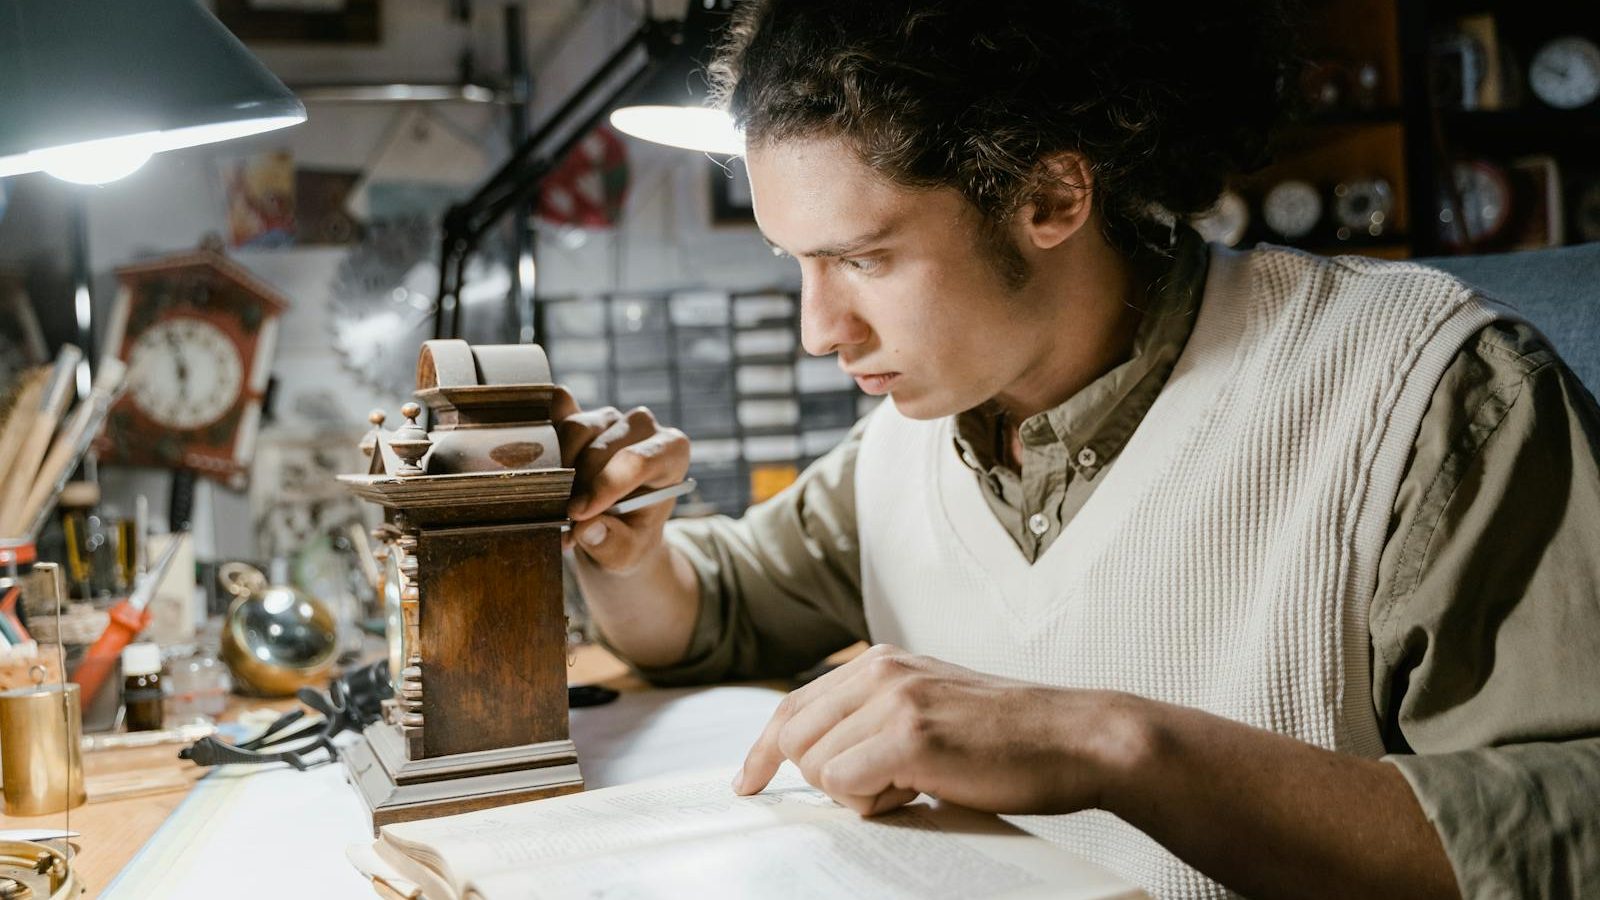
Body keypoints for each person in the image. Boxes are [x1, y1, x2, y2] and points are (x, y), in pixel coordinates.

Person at [554, 1, 1600, 896]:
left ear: (1050, 197)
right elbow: (717, 609)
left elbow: (1577, 826)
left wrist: (1113, 746)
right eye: (796, 263)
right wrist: (629, 549)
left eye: (862, 260)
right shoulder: (912, 439)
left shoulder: (1421, 392)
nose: (818, 329)